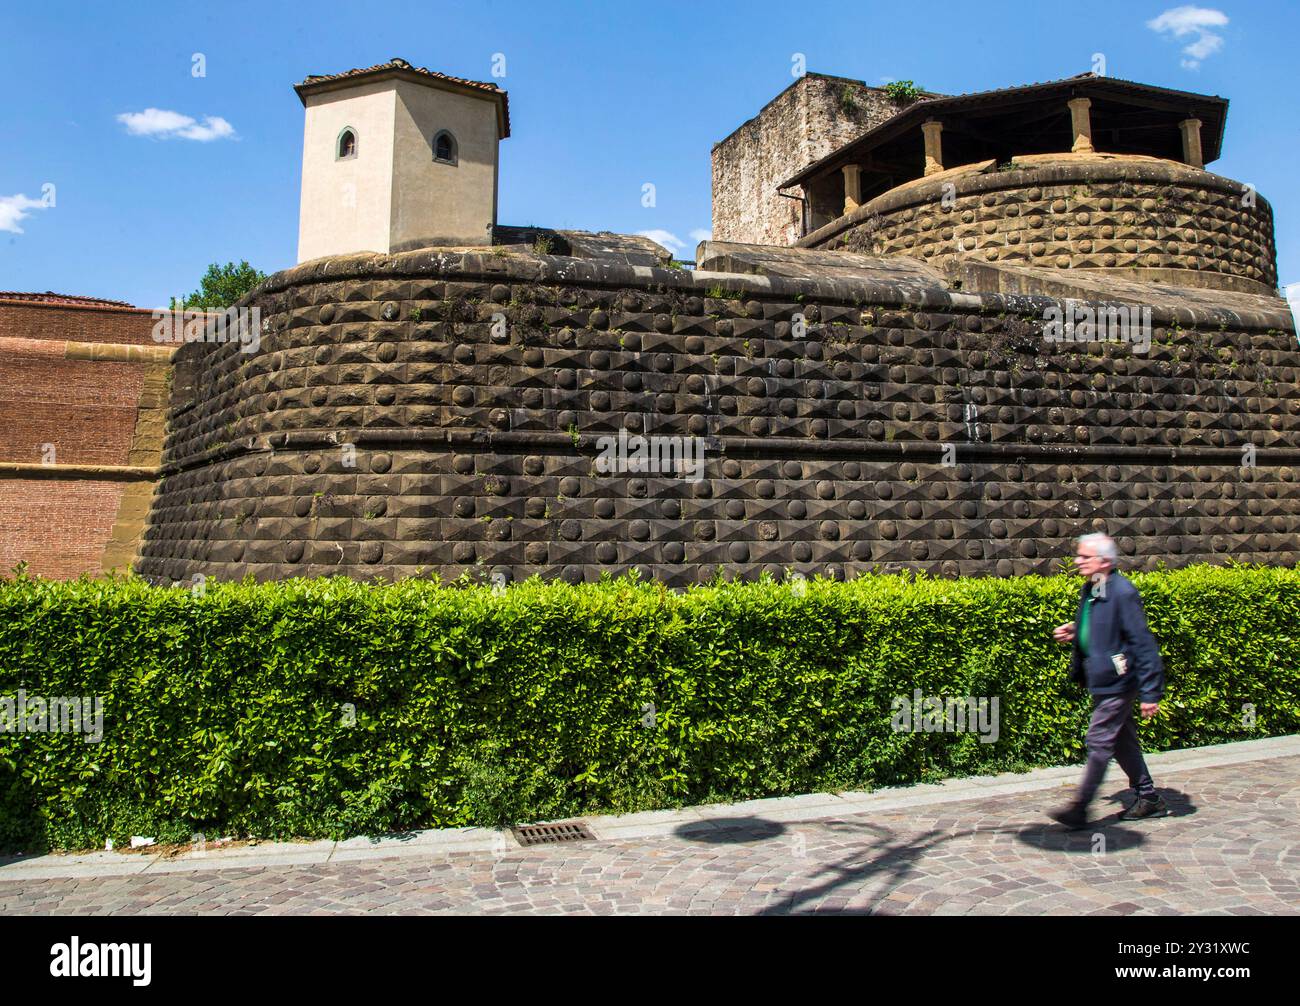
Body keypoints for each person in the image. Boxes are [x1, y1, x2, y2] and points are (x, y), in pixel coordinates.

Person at [1049, 533, 1169, 829]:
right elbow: (1105, 626)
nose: (1077, 561)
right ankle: (1148, 797)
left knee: (1099, 739)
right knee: (1121, 741)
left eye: (1084, 557)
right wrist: (1077, 631)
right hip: (1102, 678)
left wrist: (1151, 691)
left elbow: (1142, 642)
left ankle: (1080, 808)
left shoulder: (1122, 591)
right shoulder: (1095, 588)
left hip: (1119, 681)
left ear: (1104, 561)